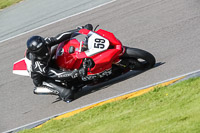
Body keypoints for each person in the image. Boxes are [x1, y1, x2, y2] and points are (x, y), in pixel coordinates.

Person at [26, 24, 93, 102]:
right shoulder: (38, 65)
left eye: (45, 47)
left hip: (50, 63)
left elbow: (59, 37)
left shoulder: (45, 42)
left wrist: (80, 30)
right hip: (44, 78)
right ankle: (50, 90)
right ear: (36, 53)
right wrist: (74, 73)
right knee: (68, 94)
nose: (46, 49)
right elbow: (57, 74)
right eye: (42, 50)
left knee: (66, 51)